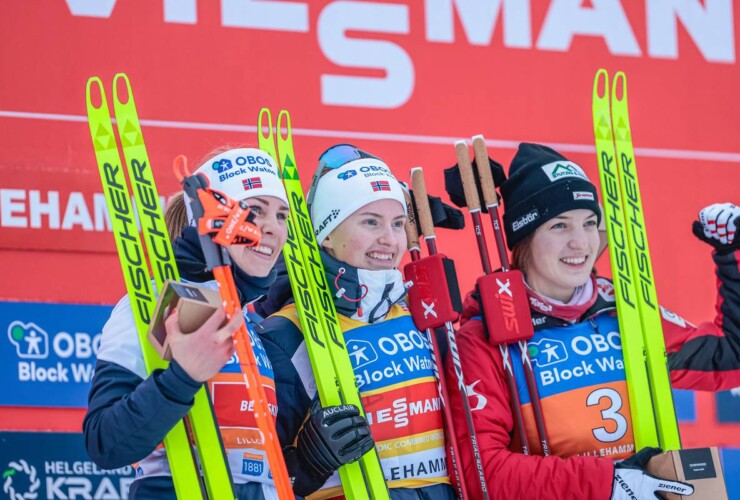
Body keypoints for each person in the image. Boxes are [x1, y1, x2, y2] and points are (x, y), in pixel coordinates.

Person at [446, 143, 740, 499]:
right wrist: (609, 482)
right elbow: (481, 474)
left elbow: (731, 357)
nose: (580, 242)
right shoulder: (485, 335)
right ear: (524, 238)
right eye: (559, 225)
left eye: (588, 223)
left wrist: (731, 256)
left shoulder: (623, 311)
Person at [85, 147, 312, 499]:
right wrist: (182, 378)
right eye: (254, 211)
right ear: (211, 219)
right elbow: (105, 443)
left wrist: (310, 465)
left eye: (282, 216)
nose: (272, 228)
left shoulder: (251, 323)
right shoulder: (155, 302)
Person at [259, 144, 456, 499]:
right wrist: (304, 466)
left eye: (397, 224)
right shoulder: (288, 333)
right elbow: (250, 474)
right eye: (370, 222)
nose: (389, 239)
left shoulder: (419, 313)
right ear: (327, 234)